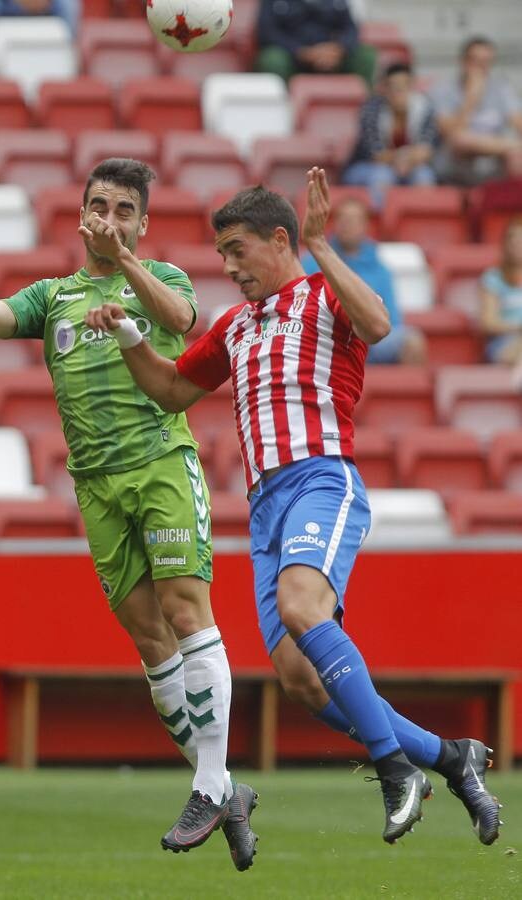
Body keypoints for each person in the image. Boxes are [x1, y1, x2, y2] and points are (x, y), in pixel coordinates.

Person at [85, 170, 502, 846]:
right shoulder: (234, 327)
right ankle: (450, 759)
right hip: (264, 507)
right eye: (221, 253)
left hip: (321, 478)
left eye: (236, 250)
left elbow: (378, 323)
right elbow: (169, 391)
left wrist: (322, 246)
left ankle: (395, 770)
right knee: (301, 682)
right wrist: (132, 336)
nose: (227, 266)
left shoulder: (321, 294)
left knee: (301, 609)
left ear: (279, 240)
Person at [0, 158, 257, 869]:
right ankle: (225, 786)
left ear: (142, 223)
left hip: (160, 464)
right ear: (80, 214)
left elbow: (183, 321)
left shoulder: (161, 278)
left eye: (124, 209)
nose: (109, 217)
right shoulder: (55, 297)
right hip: (96, 483)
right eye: (99, 204)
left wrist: (125, 262)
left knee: (185, 609)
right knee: (147, 636)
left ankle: (206, 784)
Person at [302, 196, 427, 364]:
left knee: (412, 341)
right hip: (327, 336)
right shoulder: (312, 261)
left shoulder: (381, 269)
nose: (347, 225)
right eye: (343, 219)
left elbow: (391, 321)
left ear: (365, 226)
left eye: (353, 220)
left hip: (371, 340)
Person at [342, 62, 439, 208]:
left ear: (412, 86)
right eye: (393, 87)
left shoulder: (426, 108)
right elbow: (376, 154)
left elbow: (426, 151)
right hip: (366, 167)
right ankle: (384, 226)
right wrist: (402, 158)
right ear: (384, 88)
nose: (398, 91)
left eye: (403, 86)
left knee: (424, 175)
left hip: (410, 167)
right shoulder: (371, 110)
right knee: (382, 175)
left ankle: (420, 224)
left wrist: (403, 159)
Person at [430, 36, 522, 186]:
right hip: (455, 164)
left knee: (517, 157)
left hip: (493, 163)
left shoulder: (502, 88)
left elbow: (518, 122)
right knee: (461, 140)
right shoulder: (442, 90)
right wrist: (471, 98)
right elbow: (451, 135)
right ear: (463, 62)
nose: (481, 67)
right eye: (476, 61)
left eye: (486, 62)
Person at [255, 0, 376, 88]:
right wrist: (301, 52)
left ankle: (363, 108)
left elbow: (350, 29)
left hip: (332, 56)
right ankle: (283, 110)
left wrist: (339, 49)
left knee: (365, 55)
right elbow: (267, 32)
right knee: (272, 59)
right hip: (293, 57)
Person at [480, 216, 522, 365]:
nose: (518, 245)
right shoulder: (493, 278)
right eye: (514, 240)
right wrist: (518, 327)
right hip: (504, 342)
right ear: (506, 245)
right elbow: (488, 322)